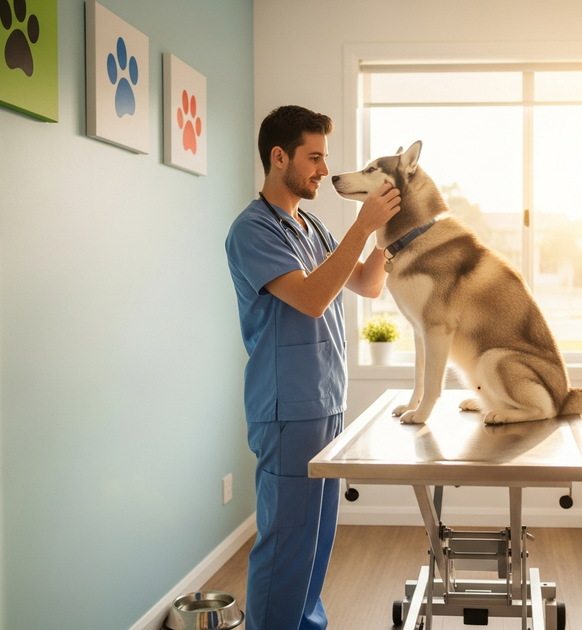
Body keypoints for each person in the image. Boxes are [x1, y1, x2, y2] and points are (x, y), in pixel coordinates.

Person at [225, 105, 400, 630]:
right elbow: (313, 298)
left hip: (325, 400)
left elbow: (367, 283)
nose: (325, 168)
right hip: (287, 407)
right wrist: (362, 226)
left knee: (318, 538)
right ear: (279, 158)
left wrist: (389, 228)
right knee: (286, 541)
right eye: (315, 156)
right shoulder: (253, 230)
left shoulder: (312, 223)